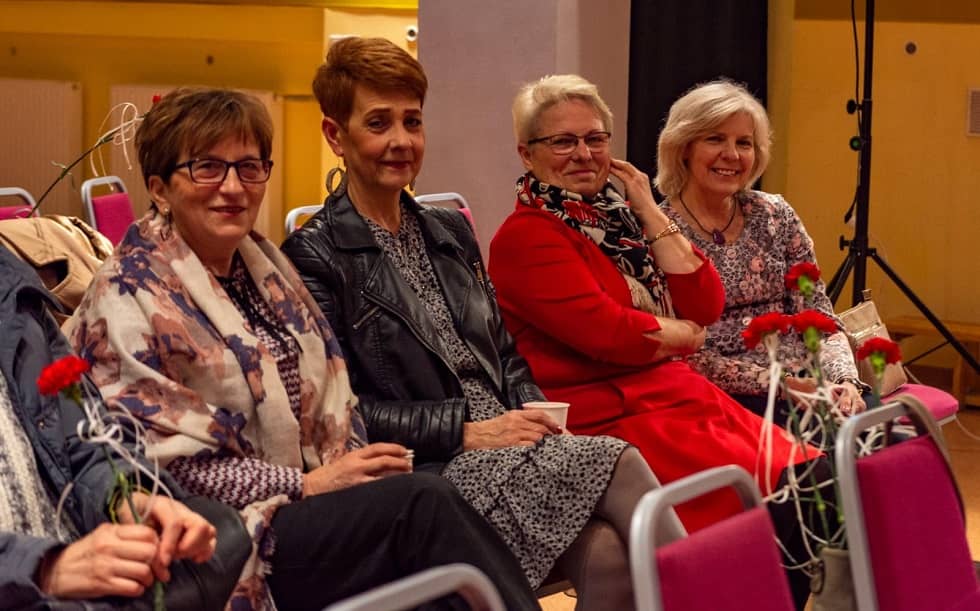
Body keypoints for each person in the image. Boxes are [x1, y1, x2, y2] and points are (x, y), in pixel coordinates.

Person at [66, 86, 540, 611]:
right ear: (160, 189)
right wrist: (309, 484)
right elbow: (159, 469)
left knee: (433, 518)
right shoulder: (128, 295)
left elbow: (337, 396)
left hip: (299, 498)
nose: (233, 187)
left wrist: (351, 467)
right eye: (208, 168)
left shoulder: (262, 270)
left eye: (249, 168)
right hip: (219, 534)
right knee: (423, 507)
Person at [281, 37, 666, 611]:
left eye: (412, 121)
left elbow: (503, 353)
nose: (401, 141)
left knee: (608, 552)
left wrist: (538, 417)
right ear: (336, 136)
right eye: (379, 123)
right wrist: (467, 431)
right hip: (434, 467)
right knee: (619, 458)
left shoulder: (448, 229)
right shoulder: (313, 254)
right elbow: (342, 413)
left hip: (509, 444)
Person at [487, 74, 822, 609]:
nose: (583, 154)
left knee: (812, 484)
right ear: (527, 154)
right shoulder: (525, 237)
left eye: (595, 139)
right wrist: (683, 336)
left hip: (674, 396)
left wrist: (647, 207)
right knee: (781, 501)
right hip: (613, 415)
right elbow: (613, 335)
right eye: (563, 142)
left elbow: (705, 302)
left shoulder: (619, 220)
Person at [0, 243, 250, 610]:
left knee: (224, 539)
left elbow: (85, 438)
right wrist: (44, 568)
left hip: (83, 561)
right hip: (32, 582)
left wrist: (129, 497)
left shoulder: (9, 283)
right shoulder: (128, 283)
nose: (233, 204)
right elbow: (188, 455)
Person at [656, 79, 868, 423]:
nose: (732, 154)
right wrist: (783, 385)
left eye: (744, 143)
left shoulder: (775, 214)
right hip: (725, 394)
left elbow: (820, 317)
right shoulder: (659, 231)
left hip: (809, 381)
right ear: (683, 147)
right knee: (831, 444)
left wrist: (845, 380)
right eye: (715, 139)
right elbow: (682, 353)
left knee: (886, 432)